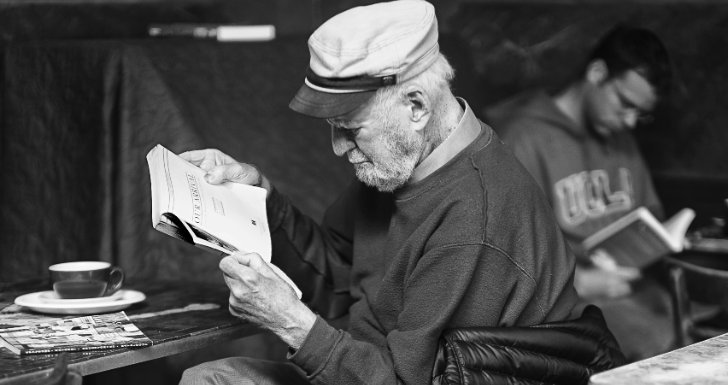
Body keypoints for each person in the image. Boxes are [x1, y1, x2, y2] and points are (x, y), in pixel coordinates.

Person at [178, 1, 581, 384]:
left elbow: (411, 380)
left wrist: (290, 322)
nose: (338, 147)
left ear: (417, 107)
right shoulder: (401, 162)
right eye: (333, 127)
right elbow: (336, 277)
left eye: (351, 129)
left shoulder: (475, 221)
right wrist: (257, 201)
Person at [485, 24, 674, 361]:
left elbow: (650, 213)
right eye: (625, 104)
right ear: (597, 72)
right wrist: (582, 282)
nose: (630, 121)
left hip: (635, 291)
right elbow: (504, 254)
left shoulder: (619, 134)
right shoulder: (521, 137)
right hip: (571, 306)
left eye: (640, 114)